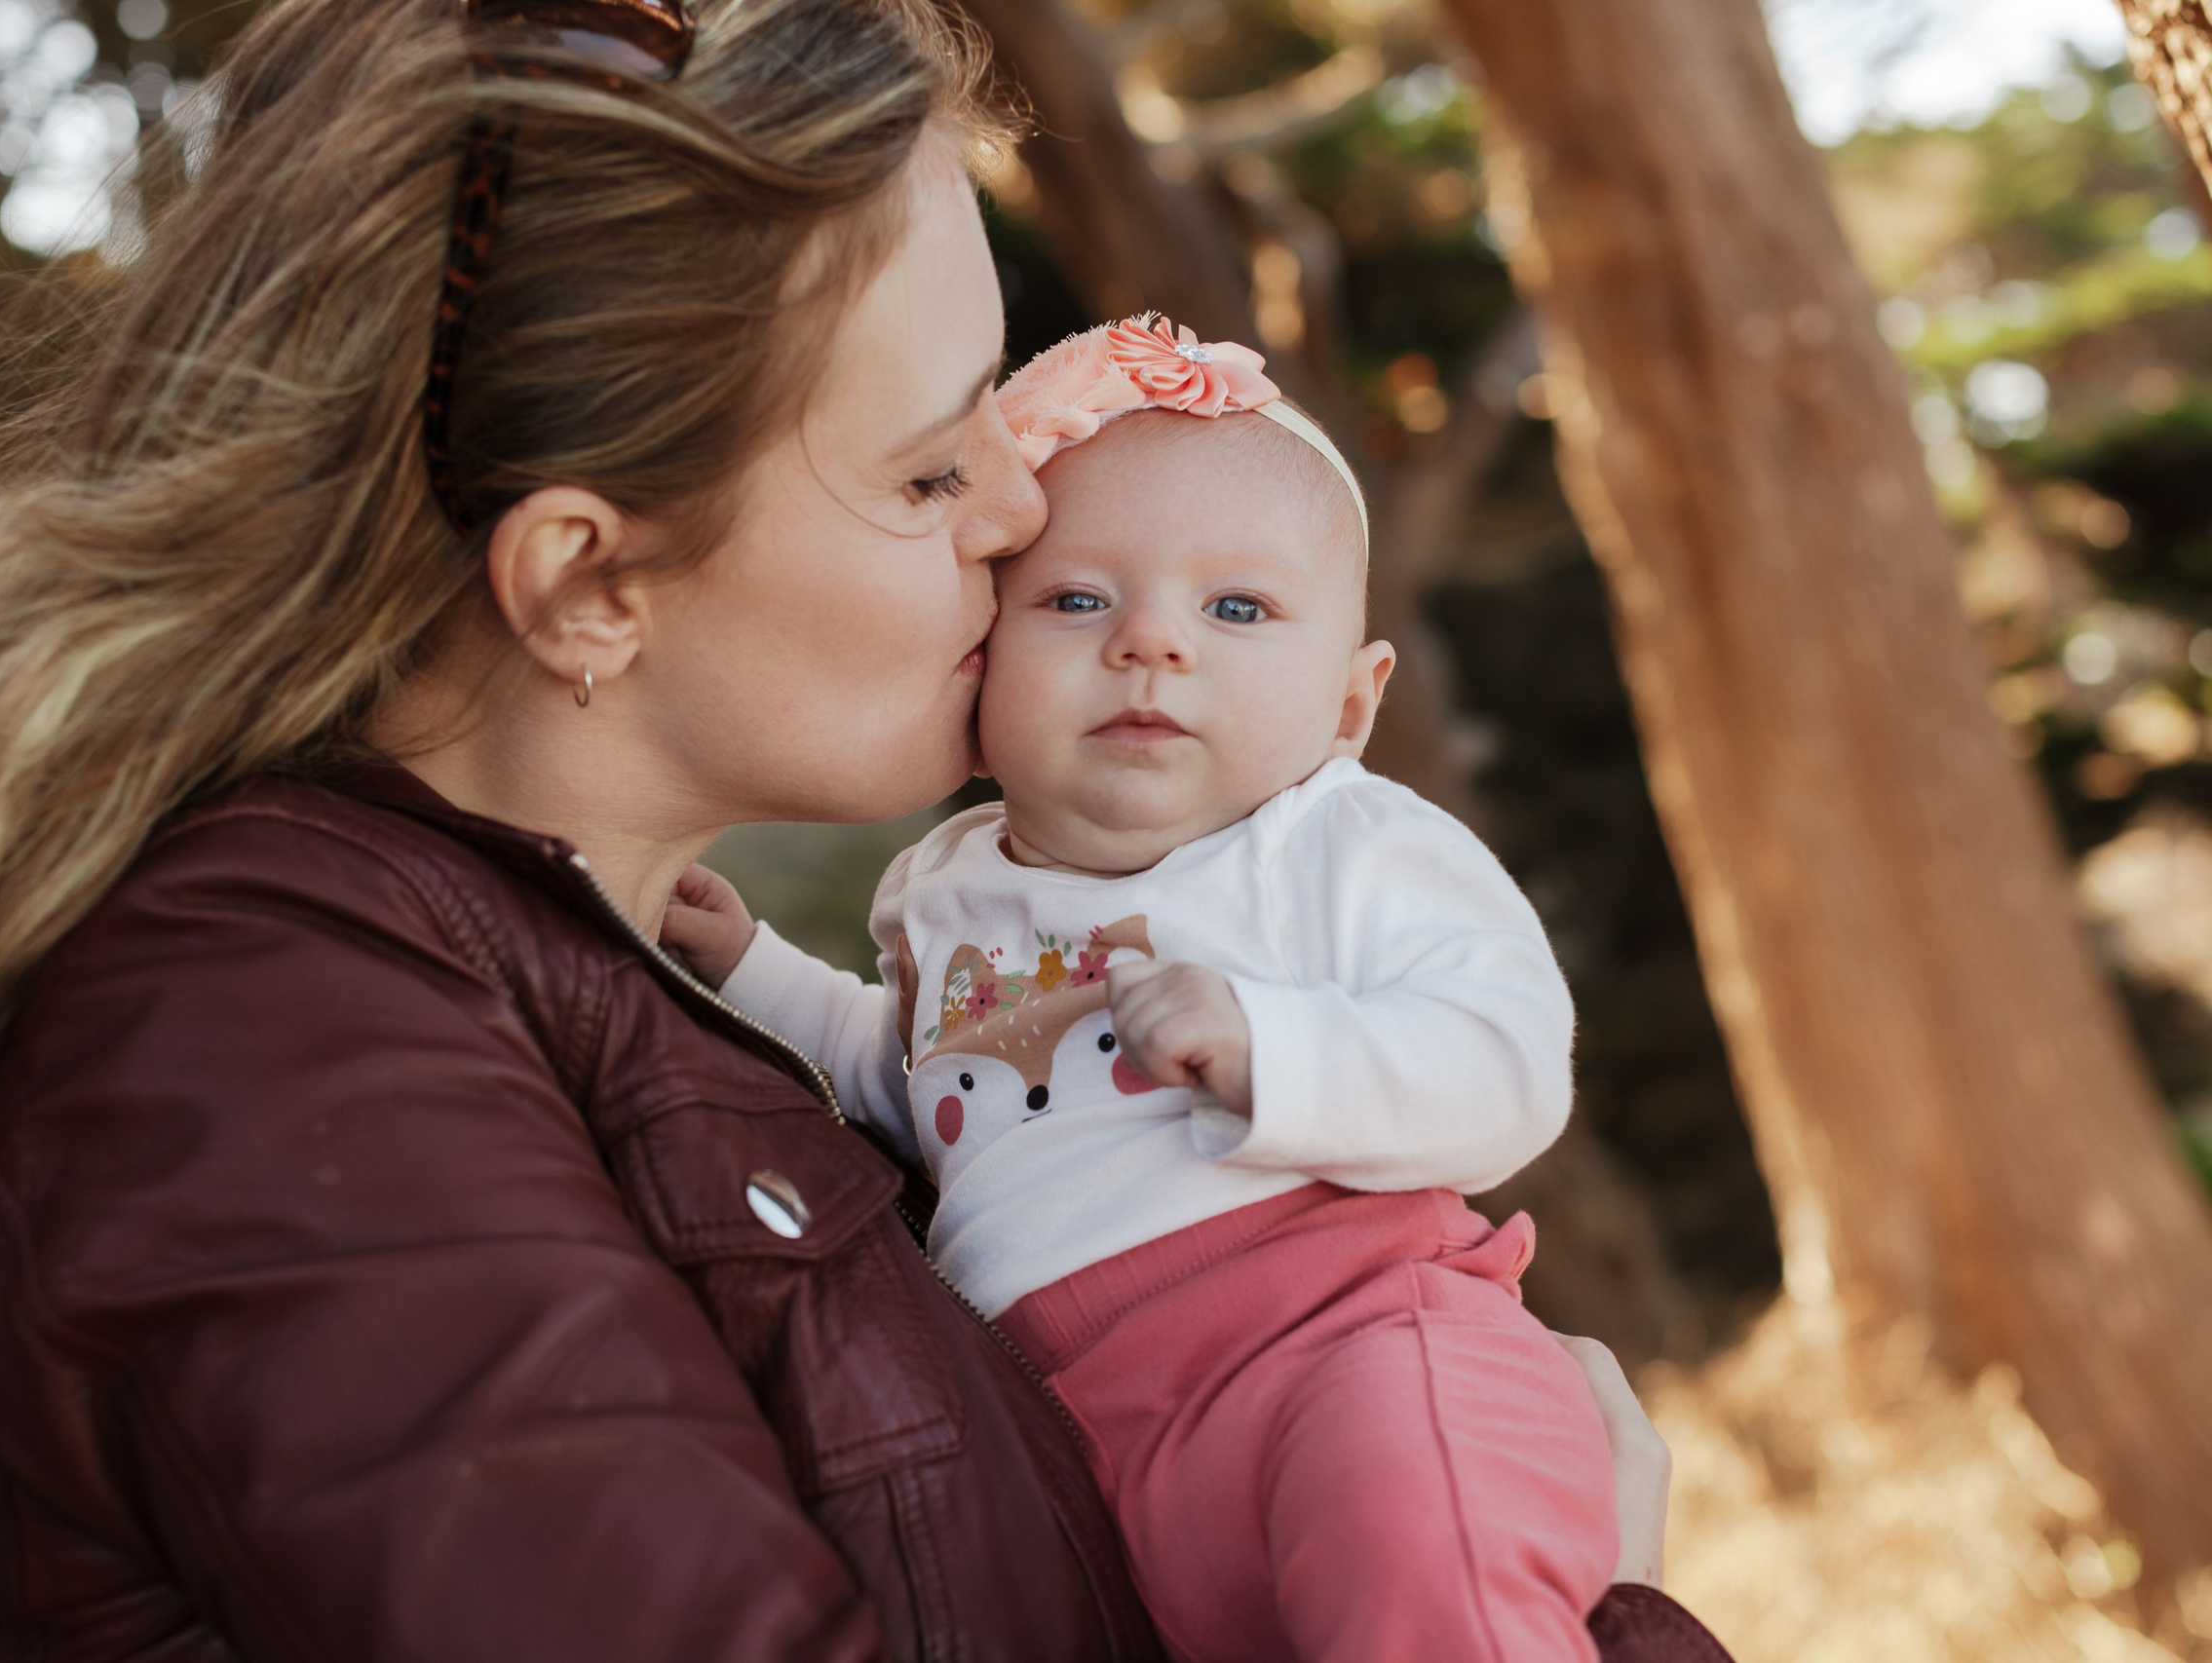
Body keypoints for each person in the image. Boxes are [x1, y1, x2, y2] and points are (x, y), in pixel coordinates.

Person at [0, 0, 1725, 1656]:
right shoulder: (265, 1046)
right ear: (588, 581)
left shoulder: (587, 999)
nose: (1031, 527)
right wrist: (1613, 1600)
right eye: (936, 470)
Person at [665, 317, 1615, 1661]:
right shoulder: (949, 891)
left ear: (1349, 706)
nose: (1152, 644)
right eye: (1076, 599)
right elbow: (928, 1085)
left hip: (1339, 1339)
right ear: (980, 665)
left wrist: (1273, 1045)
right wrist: (753, 969)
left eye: (1237, 609)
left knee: (1418, 1570)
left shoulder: (1337, 841)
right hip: (1080, 1416)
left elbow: (1510, 1061)